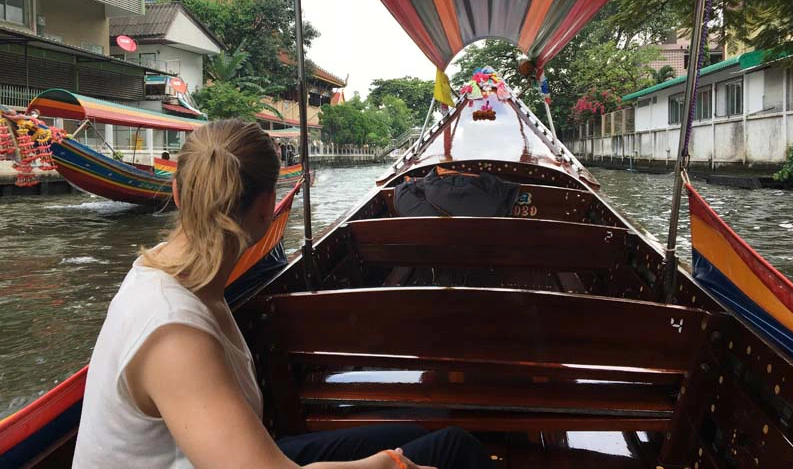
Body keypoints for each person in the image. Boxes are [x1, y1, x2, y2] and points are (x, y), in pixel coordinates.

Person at [72, 119, 491, 469]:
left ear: (179, 193)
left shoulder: (168, 268)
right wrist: (384, 465)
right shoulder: (173, 332)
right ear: (267, 206)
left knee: (410, 436)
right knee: (451, 449)